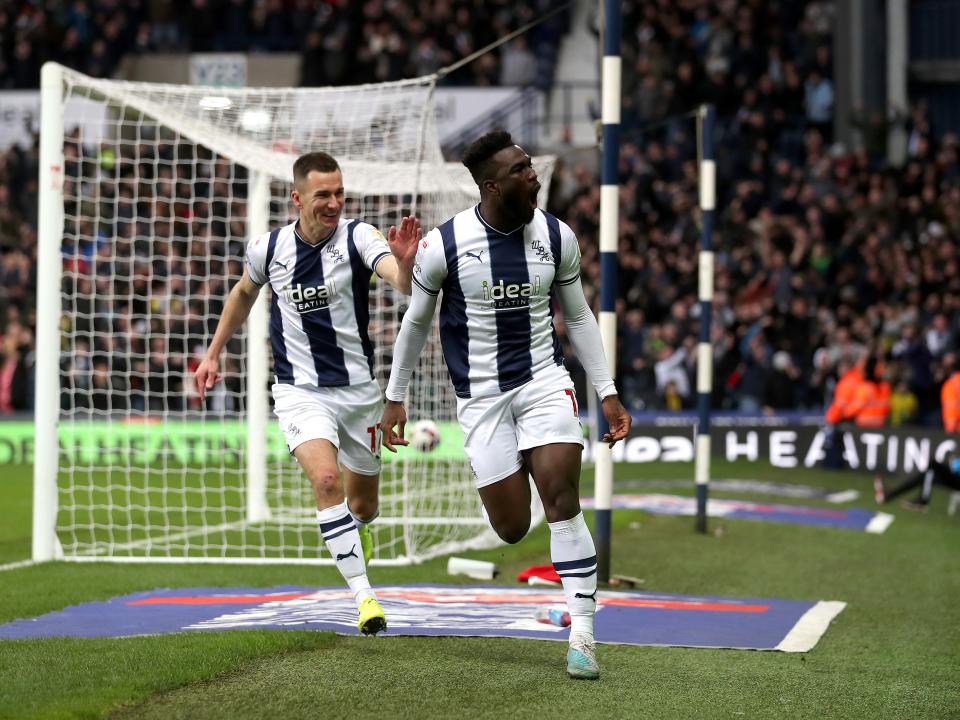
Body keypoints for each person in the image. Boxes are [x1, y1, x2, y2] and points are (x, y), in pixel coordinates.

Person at [380, 130, 631, 680]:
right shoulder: (443, 245)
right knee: (513, 528)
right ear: (492, 186)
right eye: (521, 170)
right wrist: (394, 398)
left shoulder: (557, 236)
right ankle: (515, 463)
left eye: (530, 165)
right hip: (482, 398)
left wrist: (606, 390)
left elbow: (580, 317)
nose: (534, 175)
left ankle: (583, 635)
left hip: (544, 380)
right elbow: (416, 322)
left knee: (562, 495)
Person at [194, 151, 421, 635]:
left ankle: (356, 537)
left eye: (340, 193)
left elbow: (396, 279)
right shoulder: (268, 248)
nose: (334, 202)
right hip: (300, 391)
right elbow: (242, 293)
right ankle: (365, 598)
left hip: (360, 394)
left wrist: (404, 267)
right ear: (297, 198)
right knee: (325, 483)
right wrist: (214, 352)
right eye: (323, 195)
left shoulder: (360, 236)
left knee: (363, 508)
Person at [874, 456, 960, 511]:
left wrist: (955, 464)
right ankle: (888, 495)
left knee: (933, 464)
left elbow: (956, 467)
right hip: (955, 477)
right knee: (924, 476)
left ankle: (922, 500)